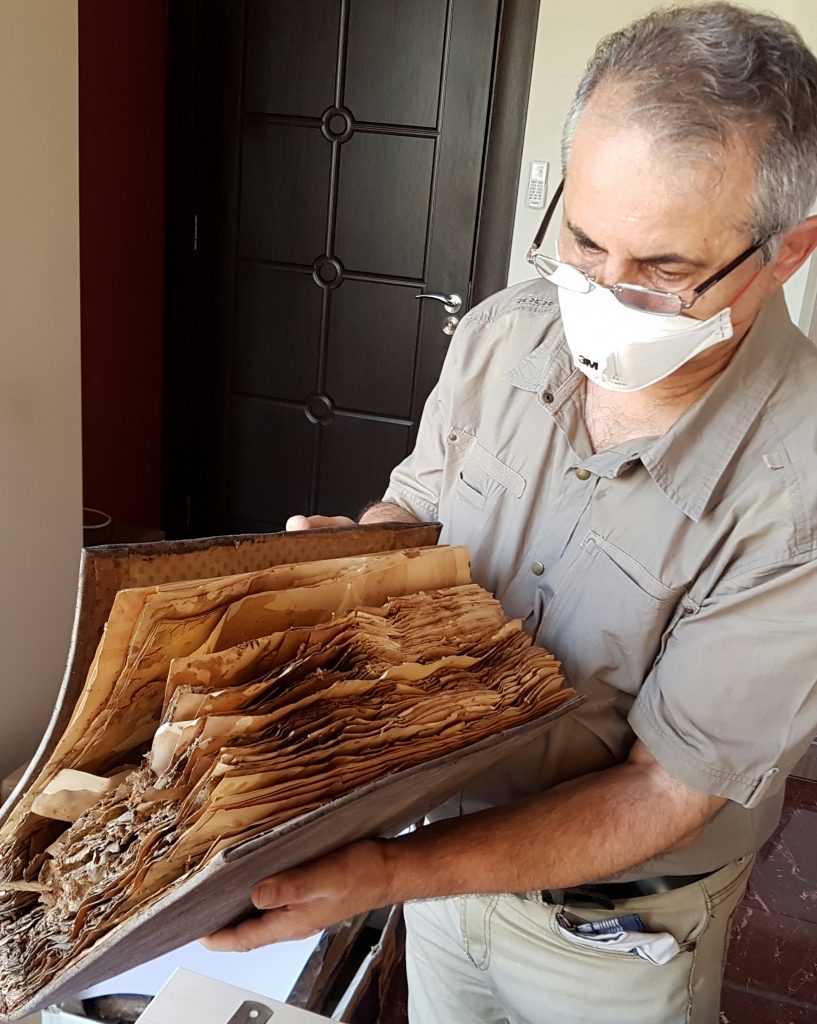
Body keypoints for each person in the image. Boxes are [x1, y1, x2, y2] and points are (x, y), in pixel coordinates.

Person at [203, 4, 817, 1021]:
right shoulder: (503, 336)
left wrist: (388, 876)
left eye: (661, 274)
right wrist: (359, 554)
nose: (602, 299)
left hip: (610, 933)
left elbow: (663, 791)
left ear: (786, 252)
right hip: (431, 865)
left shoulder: (796, 490)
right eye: (580, 242)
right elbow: (416, 505)